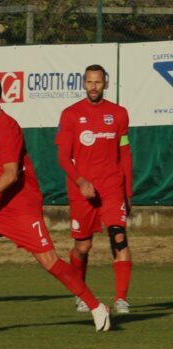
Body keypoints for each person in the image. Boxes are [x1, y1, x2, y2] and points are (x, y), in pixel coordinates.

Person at [0, 75, 111, 332]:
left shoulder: (8, 127)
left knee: (50, 262)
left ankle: (96, 307)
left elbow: (11, 173)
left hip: (20, 206)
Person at [56, 64, 133, 314]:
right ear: (84, 84)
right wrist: (80, 181)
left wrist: (128, 193)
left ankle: (121, 299)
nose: (93, 87)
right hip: (82, 191)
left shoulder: (119, 114)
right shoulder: (70, 114)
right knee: (83, 247)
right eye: (89, 82)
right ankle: (81, 293)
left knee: (118, 237)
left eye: (98, 82)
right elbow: (63, 157)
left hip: (112, 186)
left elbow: (125, 154)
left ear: (106, 84)